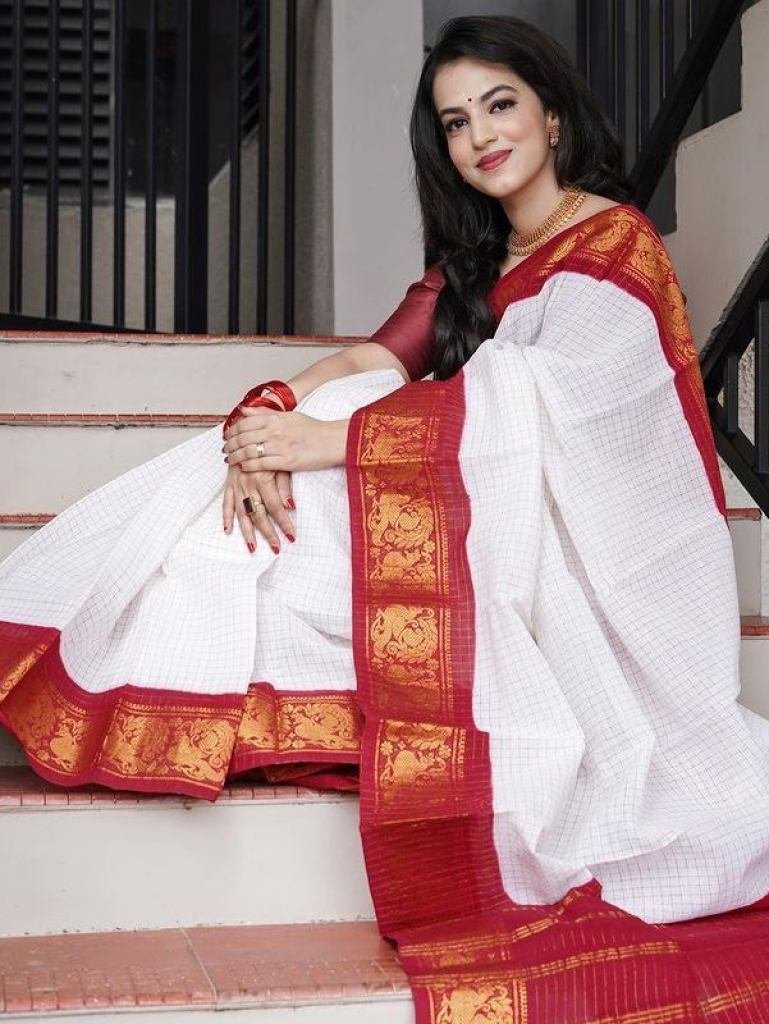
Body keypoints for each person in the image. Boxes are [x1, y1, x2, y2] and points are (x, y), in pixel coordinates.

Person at [2, 14, 769, 1017]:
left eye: (499, 105)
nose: (481, 136)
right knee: (326, 419)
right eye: (455, 122)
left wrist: (329, 442)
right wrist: (265, 417)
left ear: (550, 114)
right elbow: (374, 358)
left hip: (584, 560)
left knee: (360, 431)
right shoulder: (476, 260)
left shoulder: (613, 242)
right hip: (478, 516)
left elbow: (568, 408)